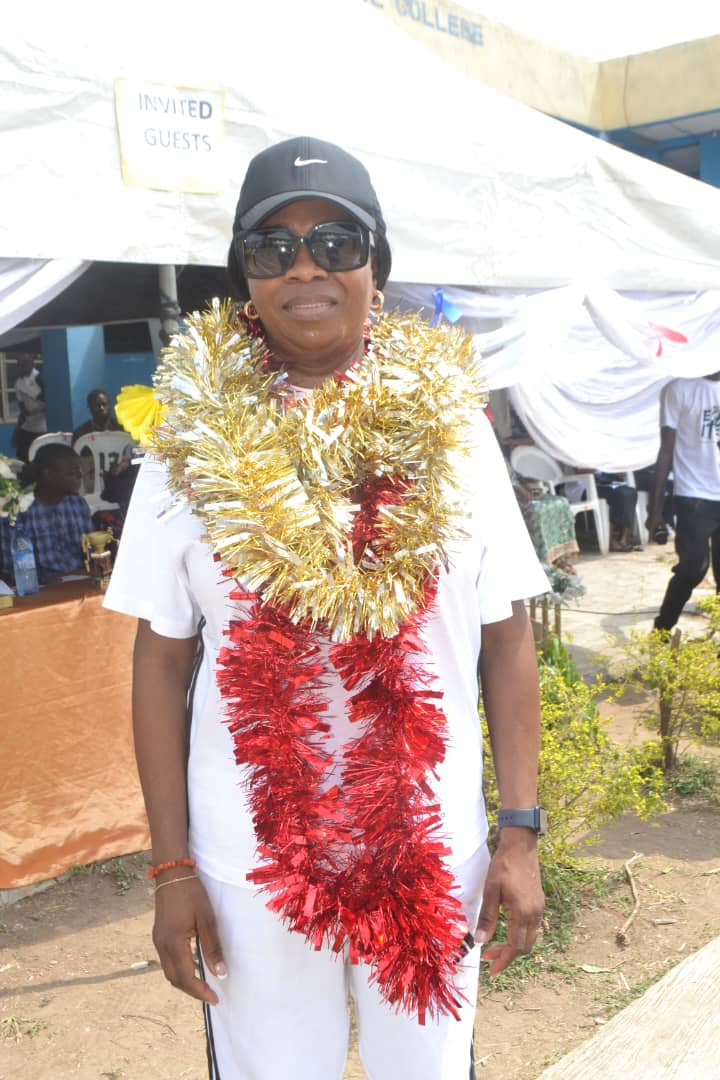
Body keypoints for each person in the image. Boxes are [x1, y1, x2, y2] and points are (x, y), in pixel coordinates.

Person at [104, 136, 549, 1080]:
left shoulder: (454, 428)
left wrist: (520, 830)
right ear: (246, 279)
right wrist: (173, 867)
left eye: (336, 242)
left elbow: (507, 638)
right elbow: (160, 657)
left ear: (376, 268)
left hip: (429, 846)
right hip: (251, 861)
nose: (305, 267)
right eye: (273, 247)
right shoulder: (187, 443)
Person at [648, 372, 720, 631]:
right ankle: (662, 629)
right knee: (693, 567)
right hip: (694, 494)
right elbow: (666, 451)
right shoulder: (679, 389)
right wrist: (655, 508)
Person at [0, 443, 92, 584]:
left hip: (79, 579)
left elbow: (91, 550)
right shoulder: (19, 511)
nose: (80, 475)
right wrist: (40, 580)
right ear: (48, 475)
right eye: (71, 472)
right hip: (39, 586)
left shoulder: (78, 504)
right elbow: (11, 566)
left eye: (78, 470)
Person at [593, 471, 640, 552]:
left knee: (631, 492)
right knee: (619, 495)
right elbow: (580, 470)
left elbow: (622, 475)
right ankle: (609, 540)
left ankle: (623, 539)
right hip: (593, 484)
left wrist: (618, 471)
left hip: (613, 483)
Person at [12, 355, 47, 462]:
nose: (21, 367)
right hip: (28, 426)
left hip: (44, 427)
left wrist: (38, 409)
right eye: (19, 365)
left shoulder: (40, 378)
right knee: (22, 457)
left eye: (24, 364)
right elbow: (22, 407)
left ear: (32, 364)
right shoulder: (18, 383)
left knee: (41, 457)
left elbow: (49, 400)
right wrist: (17, 432)